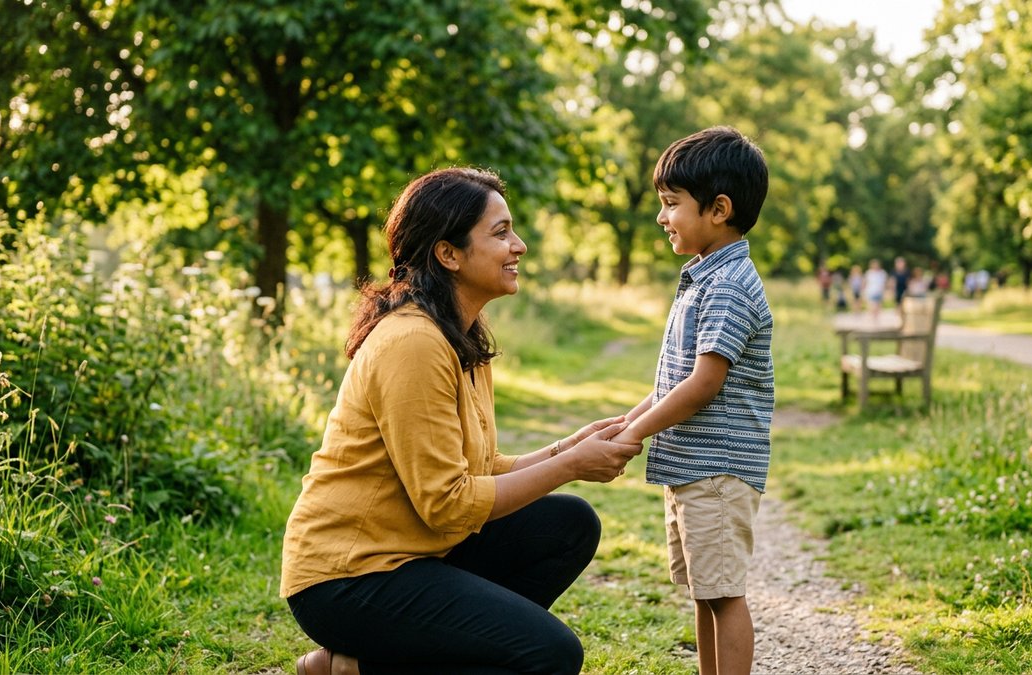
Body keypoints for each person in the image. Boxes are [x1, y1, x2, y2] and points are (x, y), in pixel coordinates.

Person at [280, 167, 643, 675]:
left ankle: (361, 666)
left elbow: (480, 467)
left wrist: (566, 450)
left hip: (414, 554)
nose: (518, 245)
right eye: (501, 232)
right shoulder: (412, 343)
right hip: (349, 578)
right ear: (448, 254)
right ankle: (360, 662)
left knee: (568, 524)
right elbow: (447, 504)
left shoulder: (459, 336)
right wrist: (570, 465)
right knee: (551, 655)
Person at [611, 126, 773, 675]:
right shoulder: (705, 279)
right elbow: (675, 381)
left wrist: (636, 433)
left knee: (723, 594)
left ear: (719, 209)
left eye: (671, 203)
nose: (662, 217)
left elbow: (704, 384)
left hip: (717, 470)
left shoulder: (728, 285)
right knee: (705, 593)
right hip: (692, 467)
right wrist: (627, 420)